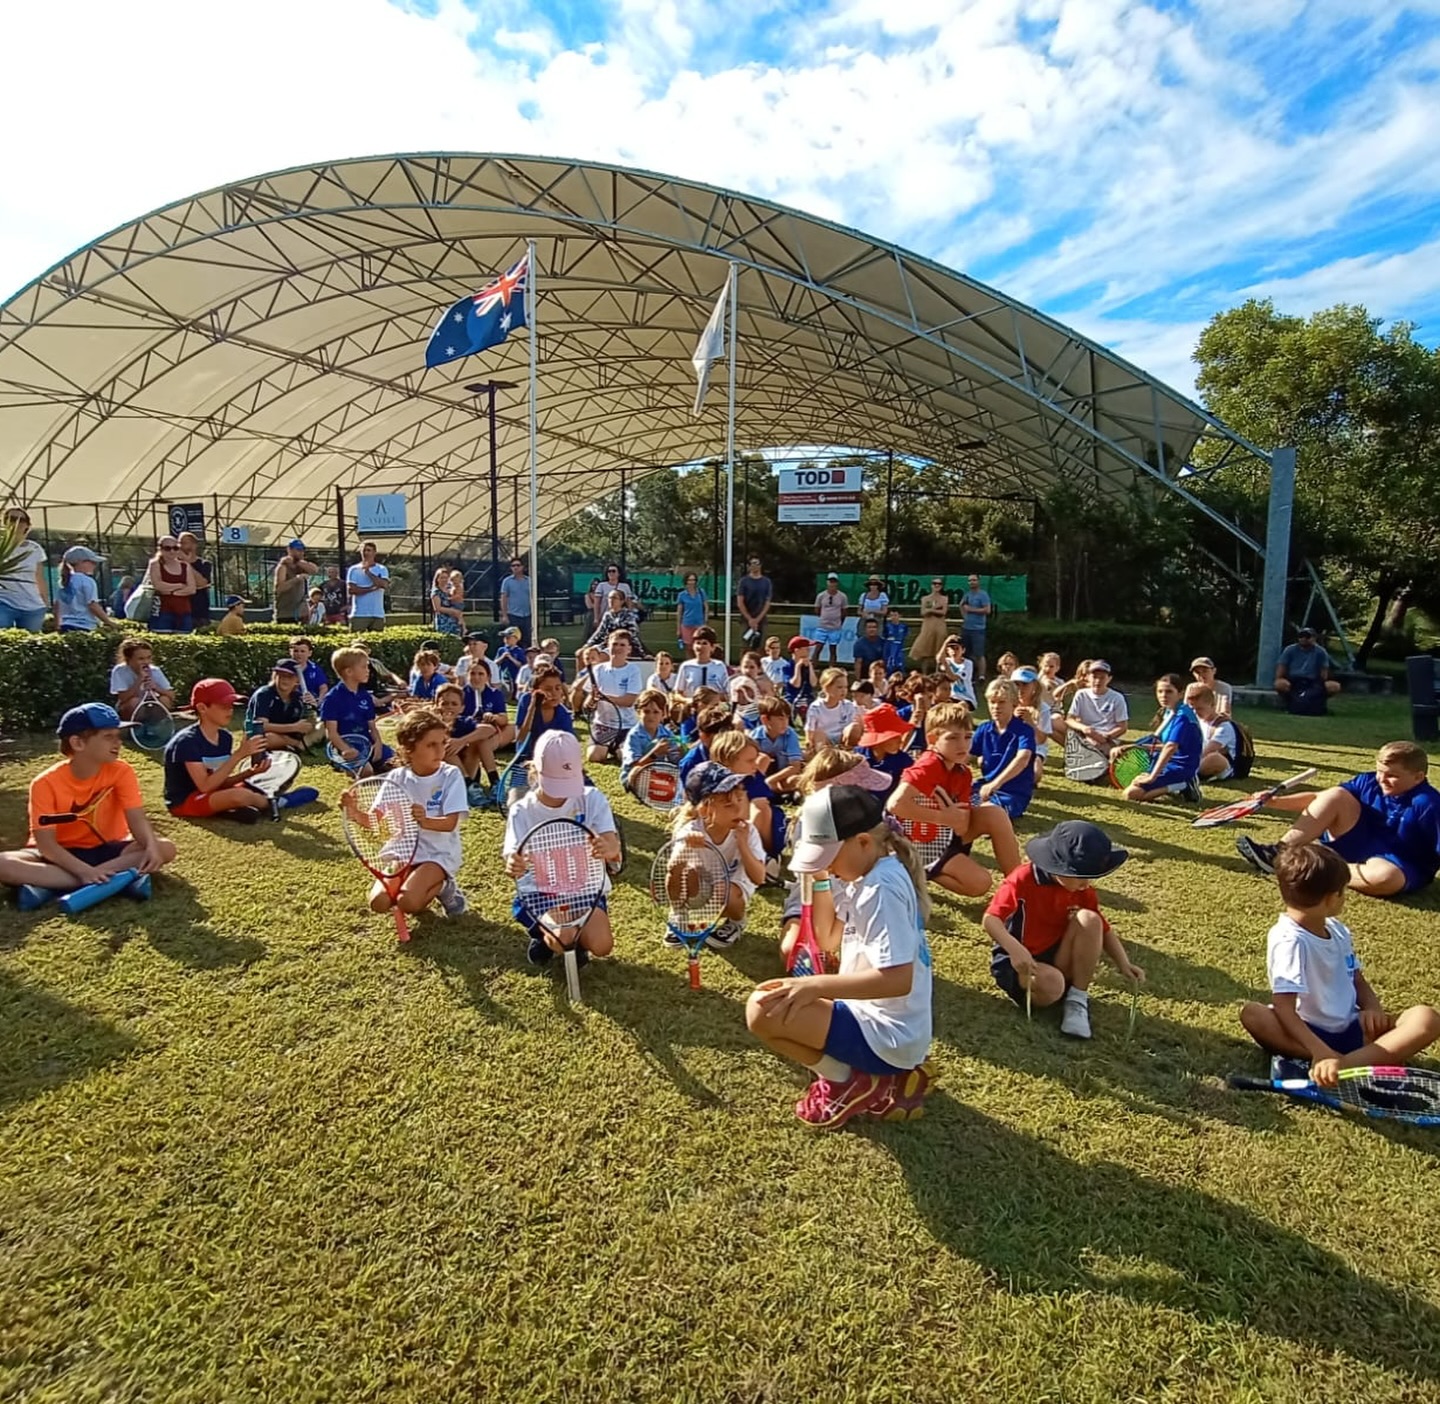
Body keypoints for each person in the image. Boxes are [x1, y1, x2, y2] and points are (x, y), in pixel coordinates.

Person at [746, 785, 936, 1129]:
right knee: (772, 1000)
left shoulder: (881, 889)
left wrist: (814, 987)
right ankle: (868, 1078)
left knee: (762, 1010)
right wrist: (820, 878)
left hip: (888, 1034)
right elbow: (828, 937)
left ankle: (848, 1080)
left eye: (829, 856)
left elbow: (897, 979)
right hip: (875, 1021)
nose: (828, 866)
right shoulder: (866, 873)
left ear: (863, 842)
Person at [1238, 844, 1440, 1081]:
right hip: (1306, 1032)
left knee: (1426, 1019)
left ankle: (1343, 1064)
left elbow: (1356, 977)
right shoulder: (1289, 941)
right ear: (1331, 898)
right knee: (1253, 1014)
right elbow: (1284, 1007)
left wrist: (1372, 1009)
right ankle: (1344, 1058)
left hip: (1353, 1027)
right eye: (1343, 891)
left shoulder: (1337, 930)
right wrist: (1318, 1049)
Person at [0, 703, 177, 909]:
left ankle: (52, 885)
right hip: (59, 855)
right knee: (3, 864)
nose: (118, 742)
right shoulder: (44, 783)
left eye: (118, 735)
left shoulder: (122, 771)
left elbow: (137, 820)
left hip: (110, 848)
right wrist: (84, 871)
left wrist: (151, 847)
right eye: (108, 736)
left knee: (166, 848)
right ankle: (117, 880)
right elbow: (47, 846)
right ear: (77, 743)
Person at [983, 820, 1145, 1040]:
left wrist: (1123, 963)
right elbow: (991, 919)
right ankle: (1058, 989)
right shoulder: (1022, 879)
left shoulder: (1081, 889)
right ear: (1058, 867)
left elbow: (1102, 929)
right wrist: (1015, 950)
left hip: (1059, 955)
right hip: (1020, 962)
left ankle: (1077, 999)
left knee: (1090, 919)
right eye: (1081, 877)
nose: (1086, 884)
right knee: (1052, 985)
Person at [1236, 741, 1440, 898]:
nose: (1381, 779)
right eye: (1379, 772)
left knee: (1386, 878)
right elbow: (1320, 799)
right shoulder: (1369, 781)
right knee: (1336, 794)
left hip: (1399, 863)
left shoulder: (1428, 803)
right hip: (1361, 842)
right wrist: (1275, 801)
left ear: (1418, 777)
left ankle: (1315, 867)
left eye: (1392, 775)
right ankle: (1279, 853)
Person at [504, 730, 620, 969]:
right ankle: (549, 939)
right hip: (542, 893)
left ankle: (574, 941)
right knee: (563, 936)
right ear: (535, 771)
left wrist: (607, 847)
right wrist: (514, 863)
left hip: (585, 890)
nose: (562, 794)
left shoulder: (592, 798)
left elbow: (612, 842)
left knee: (602, 945)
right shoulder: (522, 810)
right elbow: (512, 856)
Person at [343, 706, 469, 920]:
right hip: (402, 853)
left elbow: (450, 823)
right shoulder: (396, 778)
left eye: (443, 743)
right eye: (431, 745)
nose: (440, 751)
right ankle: (415, 883)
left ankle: (443, 887)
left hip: (437, 855)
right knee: (379, 902)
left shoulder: (450, 775)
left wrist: (424, 820)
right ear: (409, 748)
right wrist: (353, 812)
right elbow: (376, 822)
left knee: (408, 901)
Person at [887, 702, 1021, 898]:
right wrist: (943, 817)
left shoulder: (962, 771)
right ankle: (917, 869)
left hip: (945, 834)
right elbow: (895, 804)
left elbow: (962, 826)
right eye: (952, 738)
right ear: (932, 739)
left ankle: (1019, 885)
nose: (963, 745)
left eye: (967, 737)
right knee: (980, 884)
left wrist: (954, 819)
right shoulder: (928, 764)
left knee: (995, 813)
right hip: (919, 841)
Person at [164, 679, 318, 822]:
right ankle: (278, 802)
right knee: (239, 795)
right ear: (202, 708)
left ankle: (231, 809)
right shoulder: (187, 742)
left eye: (232, 706)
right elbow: (205, 786)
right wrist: (239, 754)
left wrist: (249, 773)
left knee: (248, 787)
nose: (230, 711)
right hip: (186, 801)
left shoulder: (224, 737)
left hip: (212, 793)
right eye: (224, 706)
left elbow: (220, 782)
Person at [670, 762, 765, 947]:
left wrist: (743, 844)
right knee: (686, 872)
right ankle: (679, 914)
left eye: (740, 800)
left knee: (725, 891)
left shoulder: (749, 832)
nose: (738, 809)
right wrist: (686, 847)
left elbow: (759, 877)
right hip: (701, 887)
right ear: (705, 809)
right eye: (728, 805)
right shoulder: (690, 829)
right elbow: (672, 871)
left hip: (731, 890)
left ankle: (736, 922)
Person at [1123, 673, 1204, 804]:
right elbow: (1161, 743)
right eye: (1160, 691)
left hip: (1181, 767)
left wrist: (1152, 777)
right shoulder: (1168, 711)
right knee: (1132, 782)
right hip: (1164, 762)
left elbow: (1170, 747)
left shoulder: (1182, 717)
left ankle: (1183, 784)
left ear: (1180, 694)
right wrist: (1131, 747)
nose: (1163, 695)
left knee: (1131, 794)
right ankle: (1174, 786)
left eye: (1169, 691)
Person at [708, 728, 786, 863]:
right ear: (728, 761)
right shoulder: (709, 781)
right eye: (750, 761)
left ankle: (760, 855)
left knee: (760, 807)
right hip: (724, 835)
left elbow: (761, 808)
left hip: (761, 835)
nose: (756, 765)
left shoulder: (752, 778)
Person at [319, 646, 396, 777]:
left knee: (399, 764)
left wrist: (377, 743)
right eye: (364, 667)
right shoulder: (332, 699)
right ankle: (344, 765)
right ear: (349, 671)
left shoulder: (364, 695)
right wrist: (346, 749)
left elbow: (372, 726)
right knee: (367, 772)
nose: (368, 671)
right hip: (347, 747)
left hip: (368, 743)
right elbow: (331, 733)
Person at [972, 678, 1038, 818]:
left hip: (1012, 793)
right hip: (985, 787)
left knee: (989, 813)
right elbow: (965, 755)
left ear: (1014, 703)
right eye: (992, 702)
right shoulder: (984, 729)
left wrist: (995, 784)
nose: (996, 707)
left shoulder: (1024, 731)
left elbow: (1023, 759)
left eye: (1002, 702)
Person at [583, 630, 643, 763]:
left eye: (622, 645)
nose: (618, 648)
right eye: (614, 644)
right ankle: (609, 747)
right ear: (608, 647)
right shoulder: (598, 670)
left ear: (629, 649)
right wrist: (591, 701)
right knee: (594, 757)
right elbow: (587, 704)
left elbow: (629, 701)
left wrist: (604, 697)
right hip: (602, 724)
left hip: (626, 725)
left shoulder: (633, 670)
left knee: (625, 757)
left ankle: (616, 747)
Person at [245, 660, 323, 752]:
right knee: (266, 739)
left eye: (290, 677)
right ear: (275, 676)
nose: (285, 679)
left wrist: (313, 706)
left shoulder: (298, 697)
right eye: (281, 675)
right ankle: (297, 744)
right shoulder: (264, 694)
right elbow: (261, 726)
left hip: (288, 733)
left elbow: (309, 721)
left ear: (297, 680)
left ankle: (297, 744)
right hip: (263, 734)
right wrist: (295, 727)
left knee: (324, 724)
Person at [620, 688, 681, 795]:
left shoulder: (666, 733)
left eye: (656, 712)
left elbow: (674, 761)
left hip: (658, 773)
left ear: (663, 714)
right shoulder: (634, 735)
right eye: (646, 711)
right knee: (638, 774)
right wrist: (654, 754)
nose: (651, 716)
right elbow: (635, 764)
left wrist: (680, 753)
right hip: (637, 775)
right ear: (639, 712)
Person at [0, 506, 51, 631]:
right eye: (11, 518)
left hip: (32, 604)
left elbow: (39, 577)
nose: (16, 523)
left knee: (31, 644)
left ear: (27, 525)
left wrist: (45, 603)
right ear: (4, 522)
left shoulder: (34, 549)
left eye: (21, 520)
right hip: (4, 601)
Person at [1066, 659, 1128, 755]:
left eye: (1102, 678)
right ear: (1087, 677)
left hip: (1107, 736)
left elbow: (1122, 727)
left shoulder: (1117, 698)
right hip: (1086, 734)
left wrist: (1106, 736)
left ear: (1109, 679)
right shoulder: (1081, 694)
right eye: (1094, 677)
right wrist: (1085, 728)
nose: (1098, 681)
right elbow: (1070, 719)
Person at [1274, 627, 1341, 714]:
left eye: (1307, 636)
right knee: (1280, 684)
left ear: (1314, 638)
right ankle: (1291, 703)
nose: (1304, 639)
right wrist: (1281, 678)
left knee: (1334, 686)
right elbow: (1281, 669)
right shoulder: (1290, 650)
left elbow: (1323, 674)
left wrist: (1318, 685)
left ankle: (1316, 704)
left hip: (1312, 681)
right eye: (1301, 636)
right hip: (1294, 680)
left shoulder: (1321, 652)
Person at [856, 702, 913, 799]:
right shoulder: (857, 758)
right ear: (879, 741)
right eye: (894, 737)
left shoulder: (904, 762)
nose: (900, 741)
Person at [749, 696, 804, 793]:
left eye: (787, 718)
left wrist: (772, 780)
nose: (785, 723)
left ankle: (776, 791)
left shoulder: (790, 735)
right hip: (761, 775)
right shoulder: (755, 737)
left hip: (783, 776)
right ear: (765, 719)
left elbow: (795, 766)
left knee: (794, 780)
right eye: (780, 719)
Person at [109, 637, 175, 718]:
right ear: (128, 659)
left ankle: (154, 724)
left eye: (149, 657)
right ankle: (136, 724)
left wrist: (156, 687)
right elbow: (122, 698)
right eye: (141, 659)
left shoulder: (155, 670)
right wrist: (139, 680)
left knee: (165, 700)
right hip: (130, 706)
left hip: (151, 704)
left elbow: (171, 695)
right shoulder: (120, 671)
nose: (146, 662)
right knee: (134, 702)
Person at [1012, 667, 1056, 785]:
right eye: (1016, 684)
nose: (1020, 689)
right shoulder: (1007, 704)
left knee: (1035, 774)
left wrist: (1030, 722)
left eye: (1025, 685)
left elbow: (1041, 740)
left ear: (1034, 687)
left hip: (1034, 749)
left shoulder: (1043, 709)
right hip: (1010, 745)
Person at [1186, 683, 1239, 782]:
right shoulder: (1196, 721)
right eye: (1192, 708)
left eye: (1199, 709)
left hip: (1223, 765)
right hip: (1197, 758)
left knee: (1214, 758)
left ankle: (1185, 776)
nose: (1195, 712)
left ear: (1213, 705)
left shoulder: (1223, 726)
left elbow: (1208, 750)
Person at [147, 536, 198, 634]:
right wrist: (180, 585)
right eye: (167, 548)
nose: (172, 551)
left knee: (184, 642)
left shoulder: (185, 565)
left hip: (184, 610)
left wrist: (171, 591)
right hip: (162, 610)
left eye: (175, 548)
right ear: (160, 549)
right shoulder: (155, 564)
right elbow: (158, 586)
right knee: (162, 639)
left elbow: (192, 589)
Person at [805, 667, 863, 751]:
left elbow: (853, 727)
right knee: (818, 733)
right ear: (826, 688)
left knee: (855, 727)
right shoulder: (816, 707)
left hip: (842, 739)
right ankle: (823, 757)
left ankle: (848, 753)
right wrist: (809, 743)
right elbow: (810, 730)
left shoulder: (848, 705)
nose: (843, 691)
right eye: (839, 687)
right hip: (824, 740)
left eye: (845, 687)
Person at [56, 546, 111, 633]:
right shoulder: (87, 581)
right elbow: (93, 605)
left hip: (65, 625)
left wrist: (57, 625)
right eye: (91, 562)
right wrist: (109, 622)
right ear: (80, 562)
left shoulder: (64, 581)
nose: (95, 565)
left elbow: (57, 607)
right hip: (84, 626)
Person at [584, 588, 646, 658]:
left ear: (622, 601)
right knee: (582, 653)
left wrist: (641, 653)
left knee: (601, 656)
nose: (611, 600)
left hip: (621, 646)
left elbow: (633, 635)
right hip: (606, 644)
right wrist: (588, 644)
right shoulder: (607, 615)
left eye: (614, 598)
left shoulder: (628, 615)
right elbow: (600, 632)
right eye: (609, 598)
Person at [266, 539, 314, 625]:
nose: (301, 553)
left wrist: (298, 562)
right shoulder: (282, 567)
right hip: (286, 614)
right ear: (289, 550)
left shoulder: (301, 565)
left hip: (302, 613)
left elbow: (314, 570)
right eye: (298, 550)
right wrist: (296, 579)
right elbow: (279, 589)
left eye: (302, 550)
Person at [347, 541, 389, 631]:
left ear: (374, 552)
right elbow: (352, 590)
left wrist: (368, 572)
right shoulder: (354, 569)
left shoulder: (381, 569)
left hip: (377, 613)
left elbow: (384, 584)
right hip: (359, 614)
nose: (366, 553)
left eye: (368, 550)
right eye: (363, 550)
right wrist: (371, 588)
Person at [676, 626, 729, 697]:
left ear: (712, 647)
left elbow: (727, 692)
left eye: (704, 643)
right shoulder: (686, 666)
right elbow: (678, 692)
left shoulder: (719, 666)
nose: (700, 647)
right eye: (698, 643)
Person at [910, 576, 950, 669]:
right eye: (934, 583)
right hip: (928, 627)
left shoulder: (944, 599)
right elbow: (923, 612)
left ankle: (938, 673)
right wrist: (935, 609)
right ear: (931, 585)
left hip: (940, 626)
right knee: (925, 651)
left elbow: (943, 612)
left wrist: (931, 610)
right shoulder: (925, 599)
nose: (937, 585)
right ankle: (924, 674)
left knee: (940, 650)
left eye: (939, 584)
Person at [959, 573, 992, 683]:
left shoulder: (983, 595)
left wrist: (971, 610)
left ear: (978, 581)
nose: (971, 582)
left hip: (978, 629)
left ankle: (981, 677)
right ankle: (968, 675)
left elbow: (987, 610)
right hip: (966, 628)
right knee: (965, 653)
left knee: (979, 654)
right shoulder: (968, 594)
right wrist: (965, 616)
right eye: (969, 580)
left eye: (974, 580)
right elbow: (962, 605)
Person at [177, 532, 214, 629]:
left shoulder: (204, 564)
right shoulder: (174, 565)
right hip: (179, 611)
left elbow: (202, 583)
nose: (181, 546)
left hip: (199, 613)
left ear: (194, 545)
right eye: (179, 543)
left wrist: (187, 563)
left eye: (185, 543)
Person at [812, 572, 849, 665]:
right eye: (830, 581)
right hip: (822, 626)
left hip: (835, 628)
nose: (832, 584)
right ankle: (812, 669)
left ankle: (832, 669)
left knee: (833, 649)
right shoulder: (821, 596)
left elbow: (844, 611)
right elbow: (817, 609)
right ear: (827, 583)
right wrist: (824, 618)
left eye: (834, 581)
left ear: (837, 583)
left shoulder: (842, 596)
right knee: (818, 648)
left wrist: (839, 622)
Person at [736, 557, 773, 648]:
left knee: (761, 647)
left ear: (760, 565)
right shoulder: (744, 581)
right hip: (746, 619)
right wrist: (750, 619)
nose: (754, 566)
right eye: (752, 563)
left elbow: (767, 602)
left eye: (757, 563)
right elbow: (740, 602)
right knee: (745, 646)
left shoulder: (766, 582)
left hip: (761, 620)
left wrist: (757, 619)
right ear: (749, 566)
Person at [499, 556, 533, 647]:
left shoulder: (529, 581)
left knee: (527, 639)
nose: (515, 567)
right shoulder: (507, 581)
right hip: (513, 615)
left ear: (522, 567)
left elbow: (533, 598)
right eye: (513, 566)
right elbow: (503, 598)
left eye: (518, 565)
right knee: (513, 640)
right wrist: (504, 615)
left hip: (527, 615)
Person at [937, 634, 975, 710]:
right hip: (951, 696)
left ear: (963, 650)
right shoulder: (947, 661)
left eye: (957, 648)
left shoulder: (968, 664)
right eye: (951, 649)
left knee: (960, 707)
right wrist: (945, 642)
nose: (954, 651)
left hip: (965, 698)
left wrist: (945, 664)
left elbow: (953, 677)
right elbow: (938, 659)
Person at [288, 636, 328, 706]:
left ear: (309, 653)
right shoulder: (285, 668)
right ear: (290, 652)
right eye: (296, 651)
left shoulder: (315, 669)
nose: (299, 654)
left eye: (302, 651)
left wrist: (318, 702)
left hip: (311, 704)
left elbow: (323, 688)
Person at [675, 571, 708, 652]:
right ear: (686, 581)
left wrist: (705, 621)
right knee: (689, 648)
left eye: (693, 580)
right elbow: (679, 613)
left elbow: (706, 607)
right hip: (687, 624)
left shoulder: (701, 592)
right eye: (689, 580)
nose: (691, 582)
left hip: (699, 624)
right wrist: (678, 628)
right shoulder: (682, 595)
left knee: (700, 647)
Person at [784, 635, 818, 713]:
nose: (808, 651)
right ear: (797, 650)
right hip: (793, 699)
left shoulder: (807, 665)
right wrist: (798, 667)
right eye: (806, 649)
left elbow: (814, 683)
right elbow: (796, 684)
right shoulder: (787, 666)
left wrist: (810, 667)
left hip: (808, 699)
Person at [430, 567, 465, 639]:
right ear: (437, 579)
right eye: (442, 578)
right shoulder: (436, 592)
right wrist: (453, 611)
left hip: (454, 621)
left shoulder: (450, 589)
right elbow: (437, 608)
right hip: (444, 622)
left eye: (446, 578)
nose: (444, 580)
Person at [494, 626, 527, 695]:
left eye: (508, 637)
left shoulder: (519, 651)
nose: (506, 639)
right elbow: (495, 663)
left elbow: (521, 665)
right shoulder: (501, 650)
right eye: (505, 637)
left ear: (516, 639)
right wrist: (502, 657)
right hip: (503, 675)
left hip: (515, 676)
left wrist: (511, 658)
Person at [852, 617, 886, 681]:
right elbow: (858, 662)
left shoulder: (883, 642)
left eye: (874, 627)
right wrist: (857, 679)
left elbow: (885, 660)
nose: (872, 629)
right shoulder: (859, 643)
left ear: (877, 629)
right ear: (865, 629)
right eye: (869, 627)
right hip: (865, 672)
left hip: (879, 672)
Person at [882, 608, 908, 676]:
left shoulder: (903, 626)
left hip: (899, 648)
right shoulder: (887, 626)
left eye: (895, 615)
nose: (893, 617)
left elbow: (905, 636)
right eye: (892, 615)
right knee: (889, 663)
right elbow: (884, 636)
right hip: (889, 648)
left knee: (900, 663)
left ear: (900, 616)